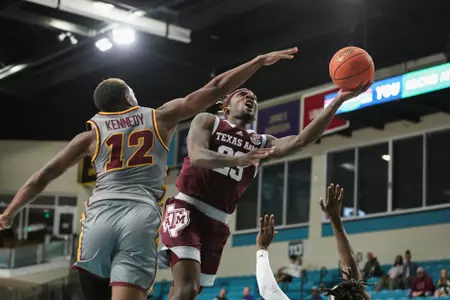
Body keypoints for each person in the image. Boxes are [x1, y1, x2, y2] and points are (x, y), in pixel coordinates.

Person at [0, 49, 286, 300]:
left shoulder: (89, 136)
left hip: (100, 214)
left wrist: (9, 214)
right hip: (139, 215)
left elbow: (42, 176)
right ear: (129, 97)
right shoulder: (159, 116)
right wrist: (257, 62)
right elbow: (215, 88)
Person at [160, 62, 372, 299]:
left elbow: (300, 141)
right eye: (243, 95)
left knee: (187, 292)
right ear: (226, 107)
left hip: (218, 222)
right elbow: (198, 156)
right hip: (188, 208)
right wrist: (238, 161)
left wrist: (338, 101)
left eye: (254, 99)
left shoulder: (261, 143)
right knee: (186, 287)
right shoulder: (209, 121)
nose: (251, 99)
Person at [255, 183, 371, 300]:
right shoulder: (357, 295)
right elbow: (352, 277)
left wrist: (262, 248)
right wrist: (335, 220)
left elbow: (268, 289)